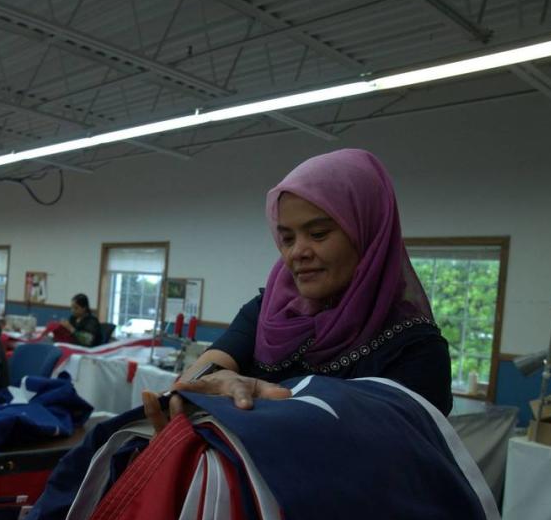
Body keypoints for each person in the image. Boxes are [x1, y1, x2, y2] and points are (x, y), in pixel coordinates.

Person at [145, 148, 452, 428]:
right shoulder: (268, 312)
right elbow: (197, 377)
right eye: (287, 239)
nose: (297, 253)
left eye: (318, 234)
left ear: (368, 235)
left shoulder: (416, 351)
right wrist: (210, 383)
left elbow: (389, 457)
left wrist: (273, 408)